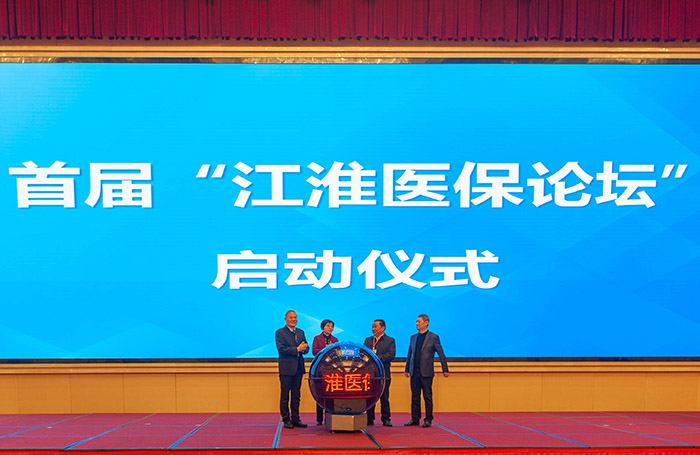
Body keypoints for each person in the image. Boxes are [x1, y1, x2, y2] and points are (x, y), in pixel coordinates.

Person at [404, 314, 449, 428]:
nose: (416, 324)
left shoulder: (433, 337)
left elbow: (441, 353)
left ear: (426, 322)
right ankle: (415, 418)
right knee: (415, 397)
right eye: (416, 321)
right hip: (414, 371)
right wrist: (407, 369)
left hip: (426, 372)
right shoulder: (413, 337)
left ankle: (428, 419)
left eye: (419, 321)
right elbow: (410, 354)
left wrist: (445, 369)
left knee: (427, 396)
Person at [275, 310, 309, 429]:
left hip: (298, 368)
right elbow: (281, 349)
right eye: (291, 317)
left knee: (296, 396)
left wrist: (304, 348)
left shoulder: (300, 332)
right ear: (285, 319)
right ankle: (286, 419)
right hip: (286, 369)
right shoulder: (280, 332)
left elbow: (306, 348)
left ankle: (296, 418)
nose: (293, 319)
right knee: (285, 396)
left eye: (295, 317)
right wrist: (297, 349)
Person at [363, 319, 396, 427]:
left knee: (384, 396)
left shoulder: (390, 340)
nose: (373, 329)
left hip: (383, 373)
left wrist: (376, 358)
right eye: (372, 327)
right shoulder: (368, 340)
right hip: (370, 374)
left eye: (375, 327)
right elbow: (363, 354)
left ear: (383, 328)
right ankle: (369, 418)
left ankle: (386, 418)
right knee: (370, 396)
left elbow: (391, 355)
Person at [311, 319, 338, 425]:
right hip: (320, 370)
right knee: (320, 394)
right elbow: (314, 351)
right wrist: (325, 349)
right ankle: (319, 419)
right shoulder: (317, 338)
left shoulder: (335, 339)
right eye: (328, 326)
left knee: (330, 394)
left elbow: (338, 354)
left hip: (331, 370)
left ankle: (329, 417)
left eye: (331, 326)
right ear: (323, 327)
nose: (330, 328)